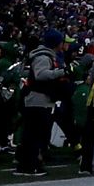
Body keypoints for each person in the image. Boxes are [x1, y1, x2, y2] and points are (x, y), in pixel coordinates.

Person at [17, 31, 68, 177]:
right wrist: (61, 72)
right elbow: (41, 74)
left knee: (32, 133)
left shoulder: (43, 55)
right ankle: (31, 165)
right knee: (35, 133)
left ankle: (25, 164)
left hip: (38, 99)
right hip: (38, 99)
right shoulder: (43, 57)